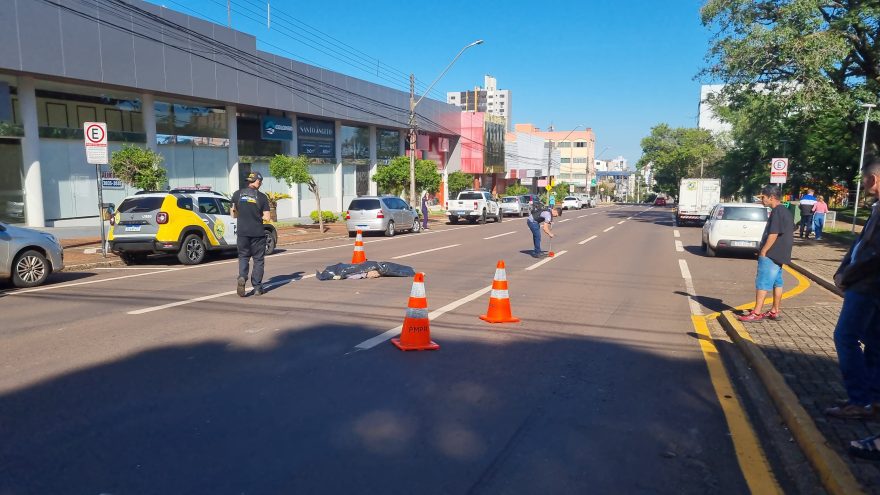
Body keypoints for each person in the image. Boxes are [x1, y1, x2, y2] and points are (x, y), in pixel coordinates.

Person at [824, 158, 880, 422]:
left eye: (865, 179)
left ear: (874, 179)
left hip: (868, 286)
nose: (864, 183)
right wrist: (843, 267)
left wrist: (847, 275)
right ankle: (871, 399)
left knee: (845, 337)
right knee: (874, 342)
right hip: (865, 283)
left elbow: (875, 256)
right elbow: (861, 244)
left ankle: (860, 400)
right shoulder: (876, 208)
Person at [738, 185, 794, 322]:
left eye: (763, 197)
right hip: (781, 254)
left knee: (762, 282)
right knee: (777, 282)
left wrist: (764, 250)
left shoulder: (776, 212)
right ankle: (775, 310)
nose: (762, 199)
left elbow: (773, 233)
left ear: (772, 197)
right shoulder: (786, 211)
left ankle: (756, 313)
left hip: (772, 254)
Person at [231, 172, 271, 297]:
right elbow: (267, 217)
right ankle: (258, 287)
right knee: (258, 260)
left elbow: (233, 214)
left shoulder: (237, 194)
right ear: (257, 181)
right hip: (257, 233)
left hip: (242, 233)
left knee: (243, 257)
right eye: (260, 182)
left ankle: (242, 276)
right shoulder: (262, 197)